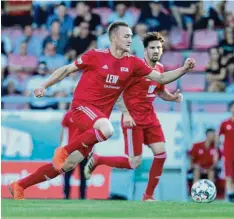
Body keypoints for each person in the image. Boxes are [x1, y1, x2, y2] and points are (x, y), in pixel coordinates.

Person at [9, 21, 195, 200]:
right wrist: (44, 85)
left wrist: (184, 69)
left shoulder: (133, 63)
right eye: (126, 36)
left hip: (96, 121)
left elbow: (161, 78)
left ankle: (20, 185)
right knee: (107, 129)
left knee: (67, 165)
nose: (131, 40)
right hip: (82, 108)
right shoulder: (95, 56)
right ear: (114, 38)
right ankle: (63, 150)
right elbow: (66, 70)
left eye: (131, 36)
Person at [83, 32, 183, 201]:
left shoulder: (159, 68)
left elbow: (159, 90)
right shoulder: (134, 68)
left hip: (150, 117)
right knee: (134, 163)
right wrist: (126, 113)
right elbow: (118, 91)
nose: (156, 51)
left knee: (161, 154)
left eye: (159, 48)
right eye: (152, 48)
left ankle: (148, 196)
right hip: (133, 119)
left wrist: (171, 97)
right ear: (145, 50)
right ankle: (99, 159)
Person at [61, 110, 87, 199]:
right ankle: (66, 195)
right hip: (72, 149)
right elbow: (63, 130)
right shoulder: (68, 115)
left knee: (83, 175)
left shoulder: (85, 115)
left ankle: (82, 196)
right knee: (68, 174)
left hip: (84, 149)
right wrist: (61, 145)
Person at [219, 101, 234, 202]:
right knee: (229, 174)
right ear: (230, 109)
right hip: (229, 153)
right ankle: (229, 195)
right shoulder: (225, 124)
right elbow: (218, 137)